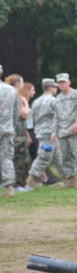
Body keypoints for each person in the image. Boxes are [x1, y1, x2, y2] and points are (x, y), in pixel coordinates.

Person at [53, 72, 77, 189]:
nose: (61, 84)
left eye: (63, 82)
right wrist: (54, 132)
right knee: (65, 157)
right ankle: (70, 180)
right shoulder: (58, 99)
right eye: (59, 83)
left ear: (69, 82)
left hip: (76, 131)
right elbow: (56, 117)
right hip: (62, 132)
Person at [27, 78, 63, 188]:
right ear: (51, 88)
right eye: (55, 87)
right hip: (49, 134)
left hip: (42, 133)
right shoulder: (53, 100)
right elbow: (60, 116)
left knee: (58, 157)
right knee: (44, 157)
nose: (56, 89)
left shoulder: (36, 102)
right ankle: (31, 179)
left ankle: (68, 178)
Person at [0, 64, 19, 198]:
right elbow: (16, 110)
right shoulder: (11, 90)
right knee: (6, 158)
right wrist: (12, 125)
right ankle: (9, 188)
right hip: (7, 129)